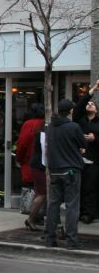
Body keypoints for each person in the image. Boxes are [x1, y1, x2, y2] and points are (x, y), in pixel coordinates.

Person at [44, 99, 87, 249]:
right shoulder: (73, 127)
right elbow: (83, 144)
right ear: (70, 111)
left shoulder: (50, 127)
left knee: (53, 205)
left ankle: (49, 238)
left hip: (54, 171)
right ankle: (71, 240)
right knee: (72, 206)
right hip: (70, 170)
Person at [72, 79, 99, 224]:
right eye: (89, 103)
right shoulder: (79, 119)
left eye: (92, 104)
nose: (89, 104)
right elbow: (80, 105)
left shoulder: (98, 123)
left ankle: (89, 213)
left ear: (96, 110)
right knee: (79, 187)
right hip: (79, 159)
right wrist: (93, 89)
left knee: (90, 187)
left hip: (94, 160)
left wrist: (95, 138)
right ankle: (79, 212)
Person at [17, 103, 44, 229]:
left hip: (30, 161)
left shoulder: (28, 124)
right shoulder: (45, 123)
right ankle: (37, 216)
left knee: (35, 191)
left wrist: (19, 159)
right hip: (42, 163)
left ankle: (34, 215)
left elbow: (22, 143)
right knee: (41, 191)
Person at [25, 120, 46, 231]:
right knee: (42, 194)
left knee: (40, 193)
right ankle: (31, 218)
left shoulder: (39, 133)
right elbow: (45, 152)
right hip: (40, 166)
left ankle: (33, 216)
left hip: (37, 165)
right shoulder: (42, 135)